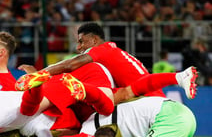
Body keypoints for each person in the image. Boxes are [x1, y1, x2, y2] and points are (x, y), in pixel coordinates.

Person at [16, 22, 198, 102]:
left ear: (94, 40)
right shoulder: (113, 51)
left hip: (145, 101)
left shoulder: (101, 50)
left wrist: (40, 74)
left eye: (81, 41)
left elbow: (70, 65)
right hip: (152, 98)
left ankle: (179, 77)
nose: (79, 47)